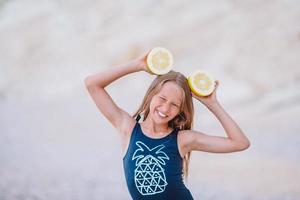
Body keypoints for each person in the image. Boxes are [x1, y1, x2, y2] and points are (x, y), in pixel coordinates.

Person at [84, 51, 251, 200]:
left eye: (174, 105)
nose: (165, 108)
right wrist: (137, 65)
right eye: (162, 99)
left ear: (180, 110)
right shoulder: (128, 129)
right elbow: (92, 84)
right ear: (151, 95)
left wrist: (213, 103)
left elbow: (240, 143)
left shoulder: (182, 139)